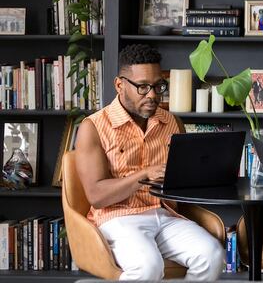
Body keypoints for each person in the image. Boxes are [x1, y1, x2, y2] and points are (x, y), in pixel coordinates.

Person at [74, 44, 225, 281]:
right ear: (119, 85)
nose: (153, 95)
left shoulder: (172, 122)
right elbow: (96, 195)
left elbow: (183, 176)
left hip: (163, 214)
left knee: (212, 255)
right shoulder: (93, 127)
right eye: (143, 87)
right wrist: (144, 175)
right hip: (118, 217)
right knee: (148, 267)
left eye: (158, 86)